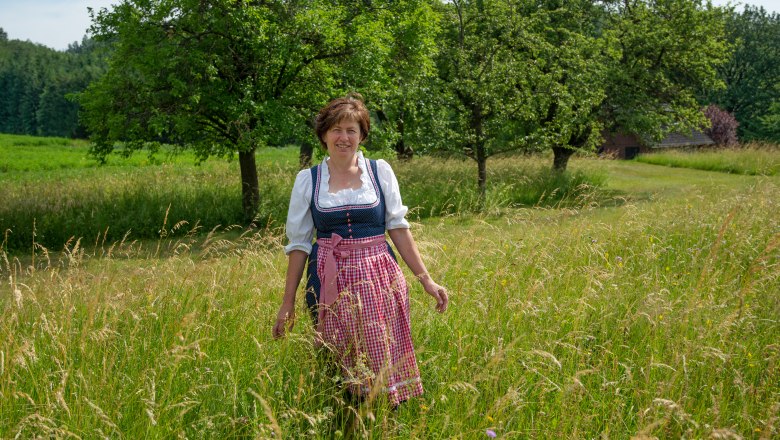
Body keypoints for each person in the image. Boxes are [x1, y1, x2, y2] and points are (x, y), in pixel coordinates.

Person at [272, 93, 448, 406]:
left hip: (380, 278)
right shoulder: (307, 181)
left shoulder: (380, 172)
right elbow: (299, 246)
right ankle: (345, 422)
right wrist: (287, 303)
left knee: (385, 354)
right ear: (324, 135)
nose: (344, 137)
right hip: (328, 280)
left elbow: (398, 228)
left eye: (352, 130)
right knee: (336, 363)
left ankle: (386, 423)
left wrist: (426, 279)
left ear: (362, 135)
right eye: (336, 130)